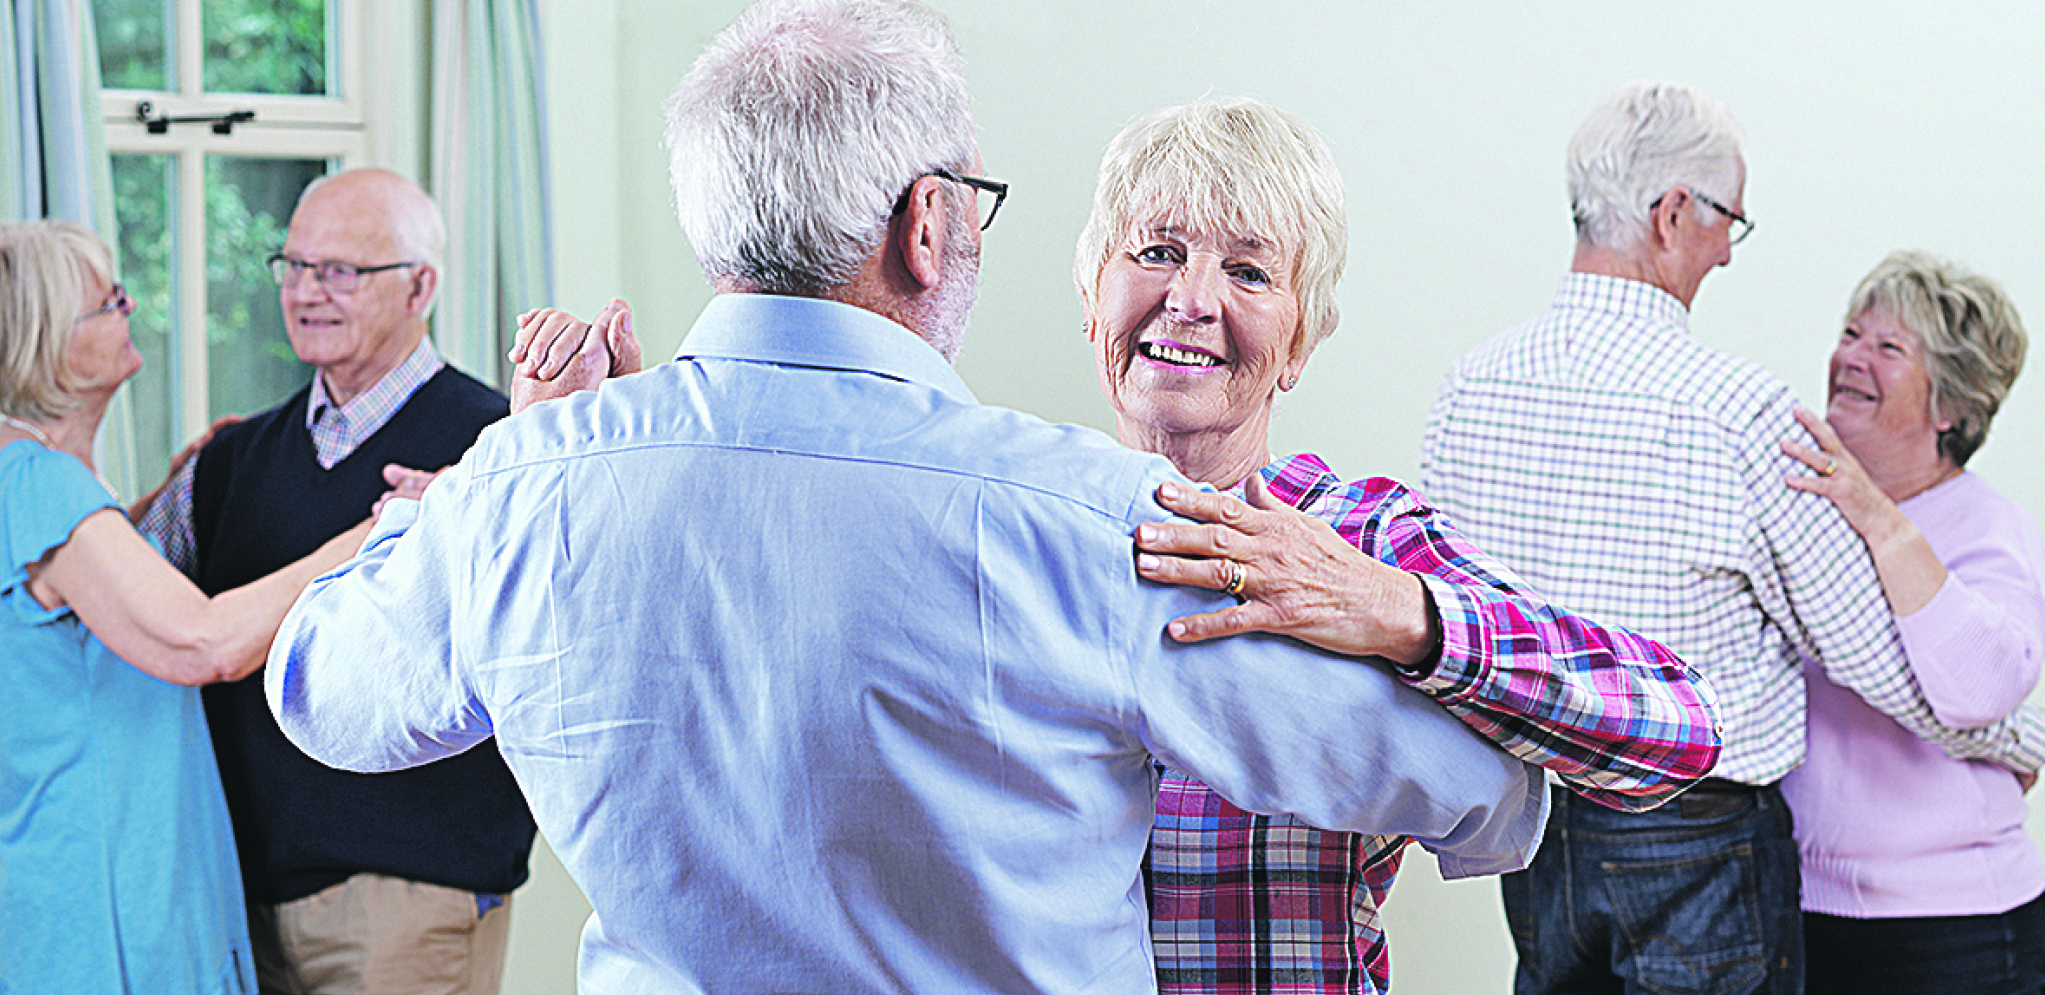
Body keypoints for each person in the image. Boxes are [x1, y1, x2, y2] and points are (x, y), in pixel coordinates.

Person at [262, 2, 1552, 992]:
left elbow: (322, 688)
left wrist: (486, 485)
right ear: (925, 225)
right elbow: (1475, 790)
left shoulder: (524, 485)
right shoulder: (1089, 523)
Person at [1053, 97, 1719, 995]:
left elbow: (1673, 727)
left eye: (1248, 271)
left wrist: (1391, 610)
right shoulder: (1017, 524)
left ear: (1299, 340)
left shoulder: (1357, 536)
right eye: (1157, 252)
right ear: (1092, 292)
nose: (1192, 299)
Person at [1420, 80, 2045, 995]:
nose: (1724, 251)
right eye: (1727, 221)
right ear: (1672, 214)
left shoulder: (1468, 390)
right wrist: (2017, 741)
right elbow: (1871, 653)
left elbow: (1456, 613)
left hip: (1540, 827)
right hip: (1695, 837)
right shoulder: (1734, 410)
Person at [133, 169, 535, 995]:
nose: (308, 292)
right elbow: (125, 603)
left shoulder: (498, 447)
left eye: (341, 271)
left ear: (421, 285)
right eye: (295, 266)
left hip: (412, 892)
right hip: (243, 895)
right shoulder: (233, 458)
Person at [0, 220, 371, 994]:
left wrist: (158, 498)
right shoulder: (43, 483)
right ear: (45, 345)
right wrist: (379, 529)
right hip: (101, 893)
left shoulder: (38, 487)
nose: (130, 306)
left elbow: (72, 617)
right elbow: (205, 643)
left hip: (67, 871)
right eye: (107, 302)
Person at [1774, 252, 2045, 993]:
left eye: (1887, 348)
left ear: (1949, 407)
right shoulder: (1805, 516)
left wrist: (1879, 520)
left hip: (1952, 931)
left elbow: (1983, 686)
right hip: (1801, 910)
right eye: (1850, 332)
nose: (1849, 358)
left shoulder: (1988, 527)